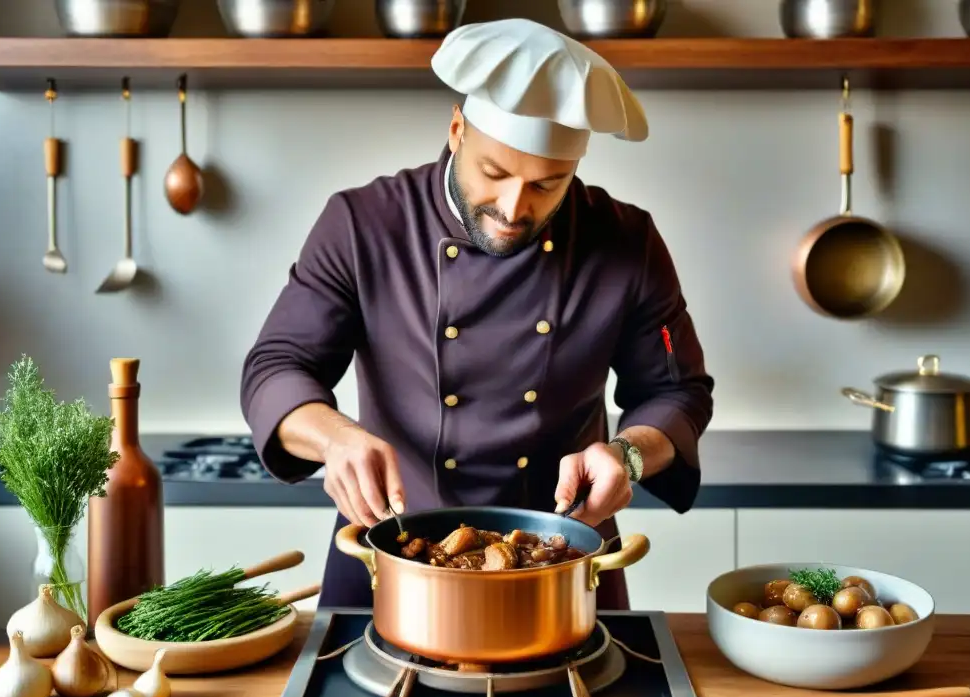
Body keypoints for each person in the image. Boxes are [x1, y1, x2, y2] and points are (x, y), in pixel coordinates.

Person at [240, 18, 714, 610]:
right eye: (495, 173)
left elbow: (679, 393)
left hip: (558, 566)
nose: (515, 208)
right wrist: (336, 441)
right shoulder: (364, 225)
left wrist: (629, 454)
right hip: (393, 561)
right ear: (458, 129)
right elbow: (276, 367)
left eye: (548, 184)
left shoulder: (625, 241)